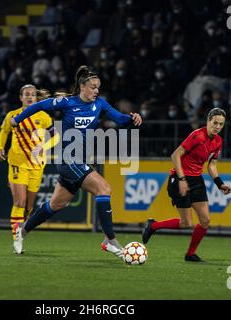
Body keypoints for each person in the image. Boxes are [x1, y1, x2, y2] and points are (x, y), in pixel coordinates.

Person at [10, 66, 142, 259]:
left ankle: (21, 231)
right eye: (93, 87)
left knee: (55, 205)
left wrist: (133, 118)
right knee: (103, 188)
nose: (96, 91)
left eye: (98, 87)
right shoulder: (67, 103)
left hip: (79, 161)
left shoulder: (100, 104)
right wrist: (18, 119)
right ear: (82, 86)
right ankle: (110, 240)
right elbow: (39, 105)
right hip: (67, 159)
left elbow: (120, 119)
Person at [142, 108, 231, 262]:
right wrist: (182, 180)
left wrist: (219, 183)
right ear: (208, 121)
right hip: (178, 178)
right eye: (215, 122)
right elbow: (175, 155)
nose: (217, 126)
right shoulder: (197, 135)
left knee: (205, 220)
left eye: (221, 124)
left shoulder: (218, 141)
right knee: (186, 223)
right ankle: (153, 226)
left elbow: (211, 165)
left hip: (197, 180)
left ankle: (190, 254)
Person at [0, 84, 59, 253]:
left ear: (36, 97)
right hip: (17, 162)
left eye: (32, 94)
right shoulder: (13, 115)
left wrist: (44, 147)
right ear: (21, 97)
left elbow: (56, 137)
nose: (30, 97)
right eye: (27, 94)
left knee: (29, 208)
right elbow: (4, 131)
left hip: (37, 165)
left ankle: (21, 231)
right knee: (19, 202)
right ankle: (17, 239)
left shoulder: (43, 116)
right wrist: (0, 147)